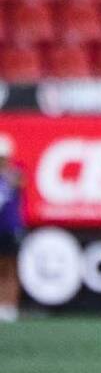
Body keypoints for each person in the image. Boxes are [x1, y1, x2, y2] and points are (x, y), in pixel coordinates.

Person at [0, 133, 24, 323]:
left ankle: (10, 306)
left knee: (11, 268)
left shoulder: (13, 173)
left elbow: (20, 181)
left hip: (10, 228)